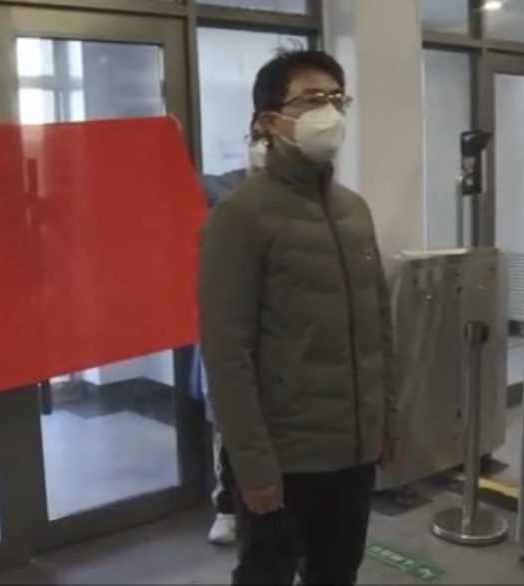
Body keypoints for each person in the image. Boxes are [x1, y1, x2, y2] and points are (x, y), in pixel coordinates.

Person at [198, 48, 399, 586]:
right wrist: (252, 465)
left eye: (336, 99)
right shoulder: (240, 216)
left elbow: (379, 324)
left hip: (353, 450)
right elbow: (227, 353)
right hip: (285, 456)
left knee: (337, 572)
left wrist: (388, 419)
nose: (328, 113)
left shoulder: (354, 210)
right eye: (311, 100)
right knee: (267, 574)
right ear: (269, 121)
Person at [196, 135, 268, 546]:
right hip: (232, 324)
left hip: (280, 329)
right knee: (228, 418)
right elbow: (181, 185)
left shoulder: (309, 198)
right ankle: (227, 506)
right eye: (258, 137)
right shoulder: (224, 190)